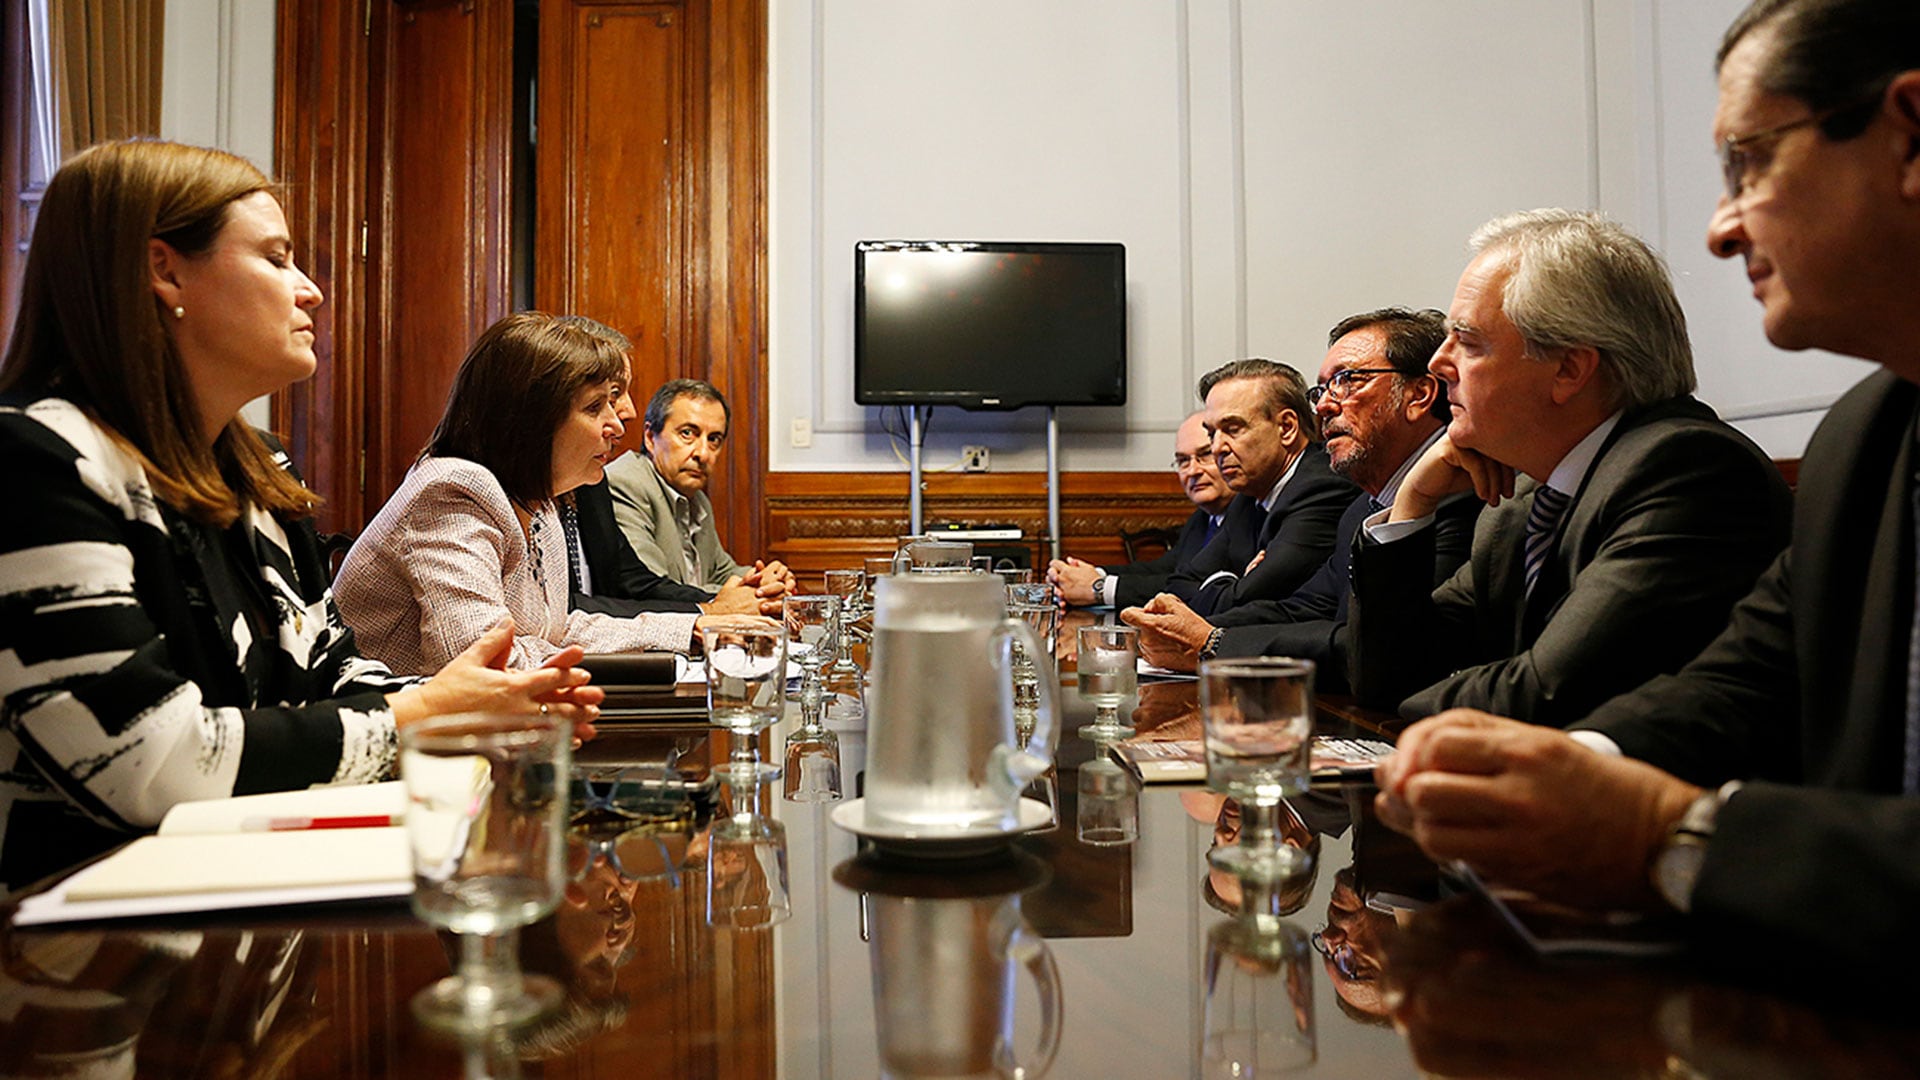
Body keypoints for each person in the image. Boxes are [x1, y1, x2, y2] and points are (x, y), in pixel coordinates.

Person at [1377, 0, 1920, 974]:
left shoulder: (1686, 465)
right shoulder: (1863, 436)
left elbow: (1548, 692)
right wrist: (1569, 771)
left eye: (1748, 163)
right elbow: (1738, 685)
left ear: (1910, 136)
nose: (1717, 228)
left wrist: (1679, 836)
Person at [0, 140, 598, 892]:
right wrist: (422, 716)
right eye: (277, 260)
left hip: (250, 890)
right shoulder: (36, 458)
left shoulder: (261, 472)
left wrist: (478, 707)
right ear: (164, 270)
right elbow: (142, 757)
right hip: (77, 945)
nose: (310, 290)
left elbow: (331, 667)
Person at [1346, 210, 1792, 725]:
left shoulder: (1689, 472)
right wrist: (1413, 502)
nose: (1438, 363)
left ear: (1569, 370)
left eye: (1467, 342)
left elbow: (1539, 696)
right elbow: (1382, 676)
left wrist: (1427, 693)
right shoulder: (1523, 497)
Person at [335, 313, 723, 675]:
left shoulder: (540, 504)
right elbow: (485, 665)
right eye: (594, 407)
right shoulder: (452, 491)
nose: (617, 426)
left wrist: (691, 630)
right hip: (392, 740)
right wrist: (646, 666)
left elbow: (561, 629)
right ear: (532, 420)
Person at [1124, 308, 1478, 687]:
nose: (1324, 405)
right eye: (1323, 389)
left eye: (1347, 380)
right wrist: (1182, 630)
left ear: (1419, 394)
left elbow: (1380, 652)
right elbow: (1306, 608)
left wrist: (1214, 642)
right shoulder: (1363, 507)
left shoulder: (1462, 497)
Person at [550, 319, 771, 619]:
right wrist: (710, 612)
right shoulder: (621, 480)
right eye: (611, 395)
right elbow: (559, 612)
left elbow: (633, 584)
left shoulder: (591, 482)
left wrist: (754, 589)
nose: (627, 412)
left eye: (714, 439)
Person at [1160, 359, 1358, 617]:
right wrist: (1233, 581)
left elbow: (1250, 600)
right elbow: (1178, 585)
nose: (1218, 447)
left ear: (1286, 427)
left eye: (1233, 429)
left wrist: (1224, 583)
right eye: (1212, 434)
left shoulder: (1323, 487)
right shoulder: (1248, 494)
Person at [605, 379, 794, 599]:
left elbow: (721, 572)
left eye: (714, 439)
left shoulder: (696, 499)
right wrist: (751, 592)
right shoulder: (626, 483)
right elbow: (651, 588)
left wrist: (768, 579)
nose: (703, 454)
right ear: (650, 437)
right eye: (687, 433)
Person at [1048, 412, 1233, 608]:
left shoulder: (1249, 516)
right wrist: (1086, 575)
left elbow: (1194, 587)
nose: (1193, 470)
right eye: (1183, 461)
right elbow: (1161, 569)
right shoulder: (1203, 518)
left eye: (1205, 455)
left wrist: (1098, 588)